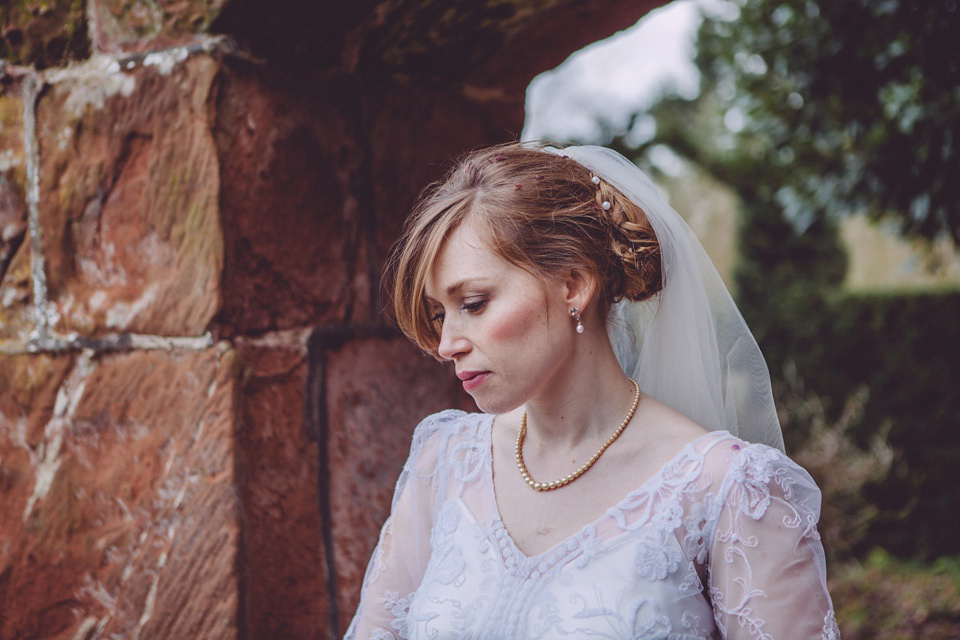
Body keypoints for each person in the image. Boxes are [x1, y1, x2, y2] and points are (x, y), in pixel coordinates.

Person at [345, 143, 839, 639]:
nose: (446, 344)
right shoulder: (445, 465)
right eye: (438, 314)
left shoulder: (728, 490)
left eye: (473, 303)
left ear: (573, 286)